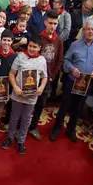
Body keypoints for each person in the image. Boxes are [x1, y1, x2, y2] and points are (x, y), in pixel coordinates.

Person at [50, 19, 93, 142]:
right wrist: (72, 68)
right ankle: (56, 128)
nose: (90, 31)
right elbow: (66, 61)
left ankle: (71, 130)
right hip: (72, 81)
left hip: (86, 83)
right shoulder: (75, 45)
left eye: (92, 29)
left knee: (77, 108)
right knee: (65, 106)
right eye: (87, 29)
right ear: (83, 31)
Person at [3, 36, 48, 155]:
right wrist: (16, 87)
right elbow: (12, 74)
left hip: (32, 96)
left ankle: (21, 140)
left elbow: (44, 77)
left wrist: (41, 88)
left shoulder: (42, 60)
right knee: (14, 117)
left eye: (35, 47)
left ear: (39, 48)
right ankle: (10, 137)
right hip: (18, 94)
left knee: (26, 119)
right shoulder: (20, 57)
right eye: (30, 46)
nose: (32, 49)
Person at [28, 11, 64, 140]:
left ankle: (33, 127)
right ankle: (23, 124)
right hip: (34, 77)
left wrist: (52, 76)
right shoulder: (39, 37)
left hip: (48, 78)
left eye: (55, 24)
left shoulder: (59, 40)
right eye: (50, 23)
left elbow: (59, 60)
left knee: (41, 104)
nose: (53, 26)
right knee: (29, 102)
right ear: (45, 23)